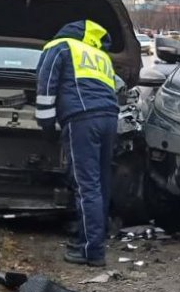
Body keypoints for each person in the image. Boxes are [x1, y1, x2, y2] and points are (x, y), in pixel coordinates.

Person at [35, 19, 119, 267]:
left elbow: (46, 84)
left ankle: (91, 251)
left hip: (82, 119)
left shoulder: (59, 46)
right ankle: (94, 238)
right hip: (109, 118)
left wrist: (46, 126)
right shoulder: (99, 55)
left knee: (86, 185)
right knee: (100, 183)